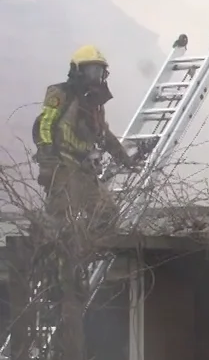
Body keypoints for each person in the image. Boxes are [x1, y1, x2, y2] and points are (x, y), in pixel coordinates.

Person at [32, 45, 141, 227]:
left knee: (107, 213)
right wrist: (47, 157)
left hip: (85, 168)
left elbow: (104, 135)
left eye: (98, 71)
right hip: (63, 164)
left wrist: (124, 159)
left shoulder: (95, 105)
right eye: (90, 70)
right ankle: (52, 250)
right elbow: (45, 123)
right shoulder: (61, 93)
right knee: (60, 217)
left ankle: (86, 247)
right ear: (77, 70)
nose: (95, 76)